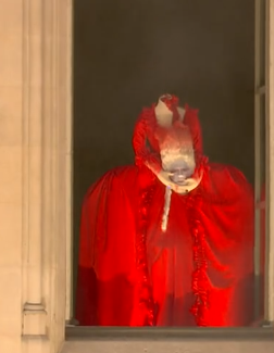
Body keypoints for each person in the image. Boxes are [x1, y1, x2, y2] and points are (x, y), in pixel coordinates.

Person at [75, 94, 255, 327]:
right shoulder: (149, 119)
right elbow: (140, 150)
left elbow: (198, 150)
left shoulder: (188, 117)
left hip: (186, 187)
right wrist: (159, 171)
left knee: (188, 251)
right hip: (161, 181)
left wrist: (195, 177)